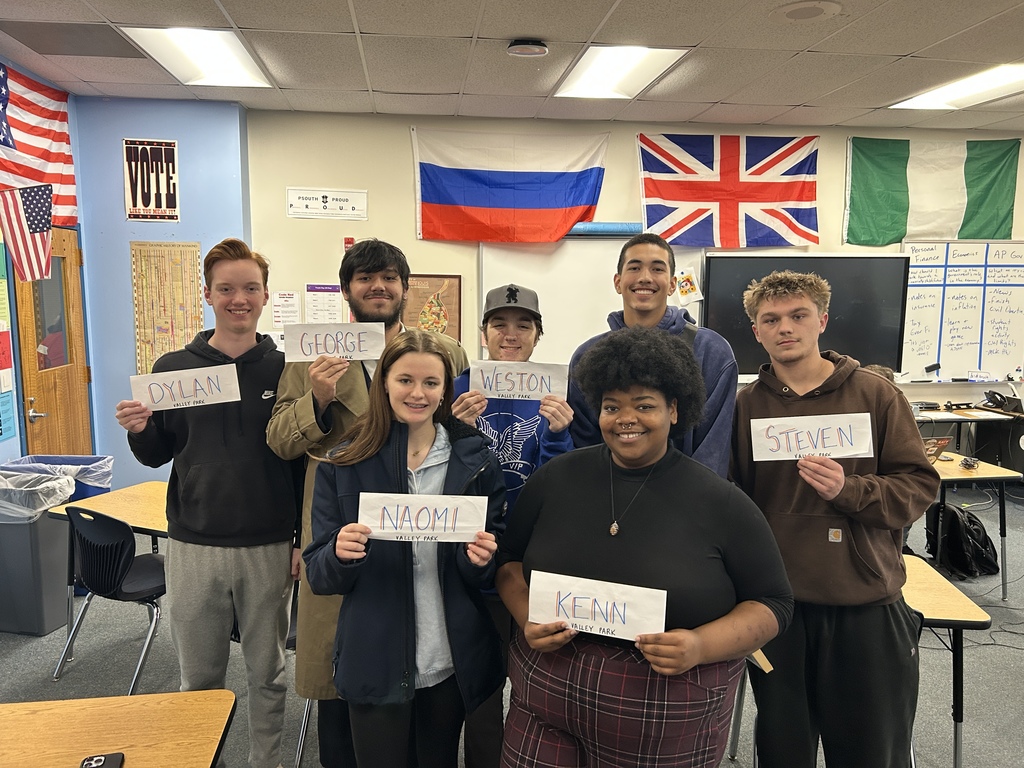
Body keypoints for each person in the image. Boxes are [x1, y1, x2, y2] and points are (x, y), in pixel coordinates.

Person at [497, 326, 793, 767]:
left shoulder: (721, 502)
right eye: (611, 406)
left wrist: (699, 645)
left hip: (665, 708)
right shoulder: (556, 479)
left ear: (675, 410)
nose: (625, 418)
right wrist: (526, 618)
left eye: (645, 405)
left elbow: (773, 604)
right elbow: (509, 563)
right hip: (546, 694)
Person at [266, 238, 468, 767]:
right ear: (346, 290)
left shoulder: (445, 350)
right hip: (344, 530)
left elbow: (457, 437)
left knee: (426, 658)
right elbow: (280, 442)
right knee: (343, 675)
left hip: (425, 527)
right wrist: (318, 399)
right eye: (364, 278)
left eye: (388, 277)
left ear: (405, 287)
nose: (377, 287)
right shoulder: (311, 356)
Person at [730, 270, 941, 768]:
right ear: (756, 332)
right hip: (780, 609)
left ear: (821, 321)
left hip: (864, 602)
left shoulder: (875, 396)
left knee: (872, 749)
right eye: (771, 320)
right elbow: (732, 499)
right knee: (784, 750)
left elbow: (919, 486)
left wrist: (851, 490)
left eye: (798, 316)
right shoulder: (746, 408)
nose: (786, 328)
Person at [115, 238, 299, 768]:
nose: (238, 299)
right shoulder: (174, 367)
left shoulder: (287, 369)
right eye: (226, 289)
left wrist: (299, 541)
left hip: (267, 544)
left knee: (267, 673)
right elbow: (155, 457)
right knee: (198, 676)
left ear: (265, 296)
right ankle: (200, 759)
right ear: (208, 295)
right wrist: (138, 429)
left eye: (249, 288)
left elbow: (301, 462)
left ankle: (266, 761)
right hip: (193, 543)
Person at [303, 330, 506, 768]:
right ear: (384, 384)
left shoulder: (476, 461)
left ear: (445, 390)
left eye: (431, 383)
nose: (418, 393)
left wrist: (482, 561)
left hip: (448, 660)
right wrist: (339, 553)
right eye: (405, 380)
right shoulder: (343, 463)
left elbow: (489, 566)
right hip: (375, 657)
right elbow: (318, 572)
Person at [451, 283, 573, 768]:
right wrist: (455, 429)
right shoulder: (459, 386)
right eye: (499, 324)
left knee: (533, 673)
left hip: (530, 553)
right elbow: (437, 471)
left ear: (538, 335)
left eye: (523, 325)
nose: (510, 334)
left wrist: (561, 435)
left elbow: (560, 484)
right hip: (471, 549)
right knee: (478, 678)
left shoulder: (555, 389)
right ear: (483, 333)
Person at [568, 232, 737, 477]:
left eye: (657, 269)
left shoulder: (711, 352)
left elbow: (713, 450)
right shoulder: (586, 357)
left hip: (688, 504)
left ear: (671, 284)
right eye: (634, 268)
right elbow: (585, 447)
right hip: (612, 505)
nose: (645, 278)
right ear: (618, 282)